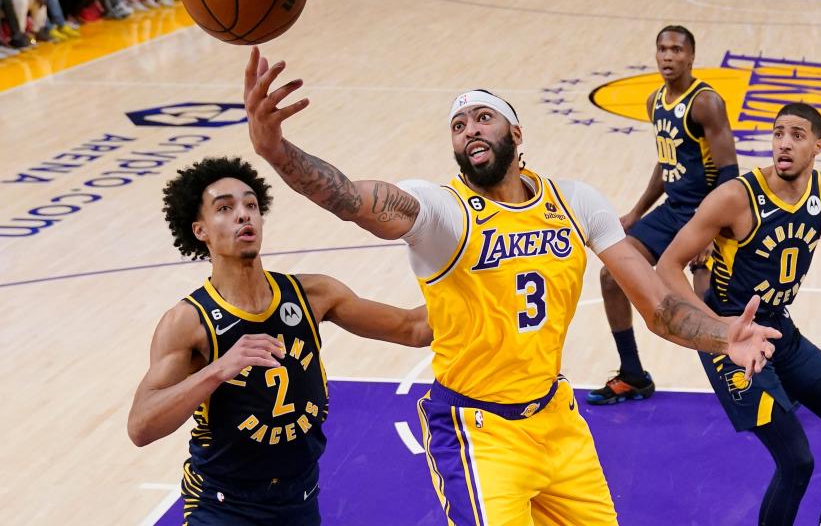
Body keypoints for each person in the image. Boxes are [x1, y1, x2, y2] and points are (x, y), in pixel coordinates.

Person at [241, 48, 780, 524]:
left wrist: (721, 335)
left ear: (516, 134)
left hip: (556, 420)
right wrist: (277, 151)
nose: (470, 128)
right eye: (458, 125)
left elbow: (659, 308)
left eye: (483, 117)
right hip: (478, 430)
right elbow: (353, 200)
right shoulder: (441, 211)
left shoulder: (575, 202)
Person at [127, 156, 431, 524]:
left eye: (251, 205)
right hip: (223, 506)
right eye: (225, 208)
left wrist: (488, 285)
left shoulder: (313, 293)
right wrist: (218, 370)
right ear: (200, 230)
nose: (243, 215)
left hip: (299, 499)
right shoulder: (189, 322)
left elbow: (413, 328)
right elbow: (141, 426)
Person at [658, 103, 821, 526]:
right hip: (730, 339)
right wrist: (715, 330)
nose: (784, 143)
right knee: (797, 461)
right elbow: (666, 267)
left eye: (797, 134)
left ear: (818, 146)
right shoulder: (736, 196)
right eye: (778, 133)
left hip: (777, 331)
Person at [587, 26, 738, 405]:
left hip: (706, 214)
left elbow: (729, 173)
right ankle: (634, 374)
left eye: (677, 50)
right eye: (662, 49)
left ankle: (767, 375)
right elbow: (668, 160)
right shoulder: (655, 100)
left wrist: (709, 231)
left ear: (691, 57)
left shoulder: (706, 103)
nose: (668, 56)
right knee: (611, 276)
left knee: (709, 302)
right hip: (673, 212)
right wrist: (637, 211)